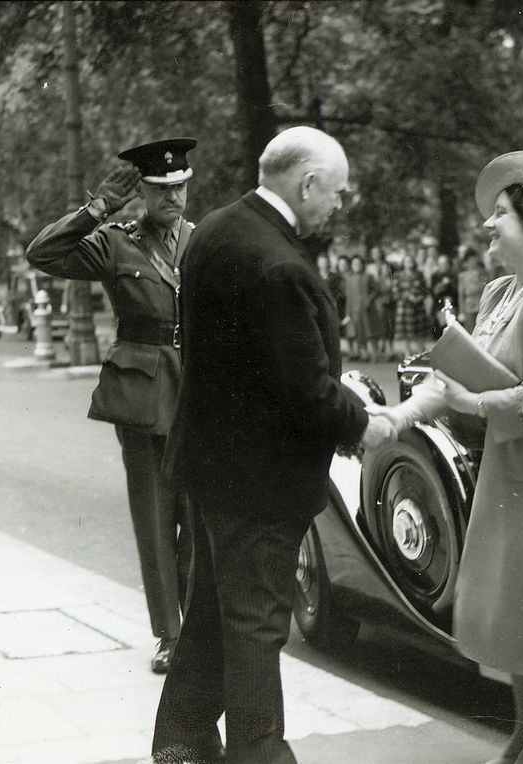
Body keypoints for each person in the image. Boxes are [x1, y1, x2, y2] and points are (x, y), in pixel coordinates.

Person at [151, 126, 395, 764]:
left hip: (211, 467)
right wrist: (366, 422)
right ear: (306, 182)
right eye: (335, 193)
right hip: (260, 482)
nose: (337, 206)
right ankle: (258, 753)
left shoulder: (216, 230)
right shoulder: (281, 264)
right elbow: (307, 391)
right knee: (258, 625)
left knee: (211, 612)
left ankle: (180, 742)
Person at [373, 151, 523, 764]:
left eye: (499, 214)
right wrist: (398, 416)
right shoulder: (502, 292)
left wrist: (471, 397)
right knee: (513, 611)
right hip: (507, 466)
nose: (488, 225)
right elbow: (454, 379)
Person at [27, 138, 198, 675]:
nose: (173, 198)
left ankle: (194, 628)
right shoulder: (116, 242)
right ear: (141, 192)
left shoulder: (204, 240)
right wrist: (98, 209)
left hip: (196, 391)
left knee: (196, 518)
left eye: (180, 187)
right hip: (142, 392)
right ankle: (168, 635)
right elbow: (43, 253)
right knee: (153, 515)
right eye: (161, 190)